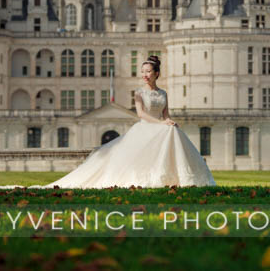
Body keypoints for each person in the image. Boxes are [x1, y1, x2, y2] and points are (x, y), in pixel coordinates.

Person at [40, 55, 215, 189]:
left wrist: (169, 122)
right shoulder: (139, 92)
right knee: (165, 133)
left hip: (159, 127)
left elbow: (166, 114)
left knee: (174, 131)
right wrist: (161, 123)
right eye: (143, 71)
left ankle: (180, 178)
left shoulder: (163, 94)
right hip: (146, 127)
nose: (144, 75)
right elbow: (141, 114)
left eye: (148, 71)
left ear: (156, 74)